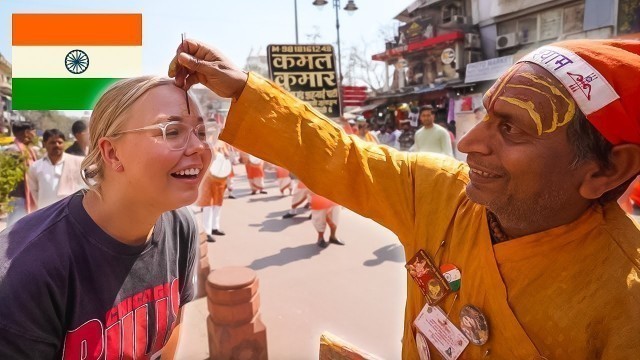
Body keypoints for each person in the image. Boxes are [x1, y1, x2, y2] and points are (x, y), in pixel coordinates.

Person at [171, 38, 640, 358]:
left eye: (511, 129)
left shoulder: (626, 301)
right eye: (486, 116)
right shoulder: (441, 191)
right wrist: (244, 89)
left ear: (606, 170)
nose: (469, 143)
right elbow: (342, 156)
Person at [0, 76, 211, 358]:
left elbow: (170, 332)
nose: (199, 146)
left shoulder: (180, 227)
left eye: (201, 131)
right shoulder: (26, 271)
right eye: (172, 131)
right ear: (112, 153)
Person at [27, 129, 85, 210]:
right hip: (46, 212)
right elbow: (34, 191)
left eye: (60, 142)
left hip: (70, 212)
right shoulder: (36, 166)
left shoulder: (77, 162)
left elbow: (84, 186)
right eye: (52, 142)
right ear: (44, 144)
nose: (56, 145)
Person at [4, 120, 38, 226]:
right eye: (34, 131)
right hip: (18, 198)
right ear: (26, 132)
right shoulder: (13, 151)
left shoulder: (30, 150)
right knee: (15, 229)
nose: (35, 134)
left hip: (29, 196)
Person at [196, 141, 229, 242]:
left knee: (218, 203)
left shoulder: (221, 142)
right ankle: (207, 232)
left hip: (220, 177)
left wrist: (225, 155)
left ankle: (215, 227)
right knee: (208, 205)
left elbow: (226, 155)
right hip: (207, 177)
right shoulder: (203, 141)